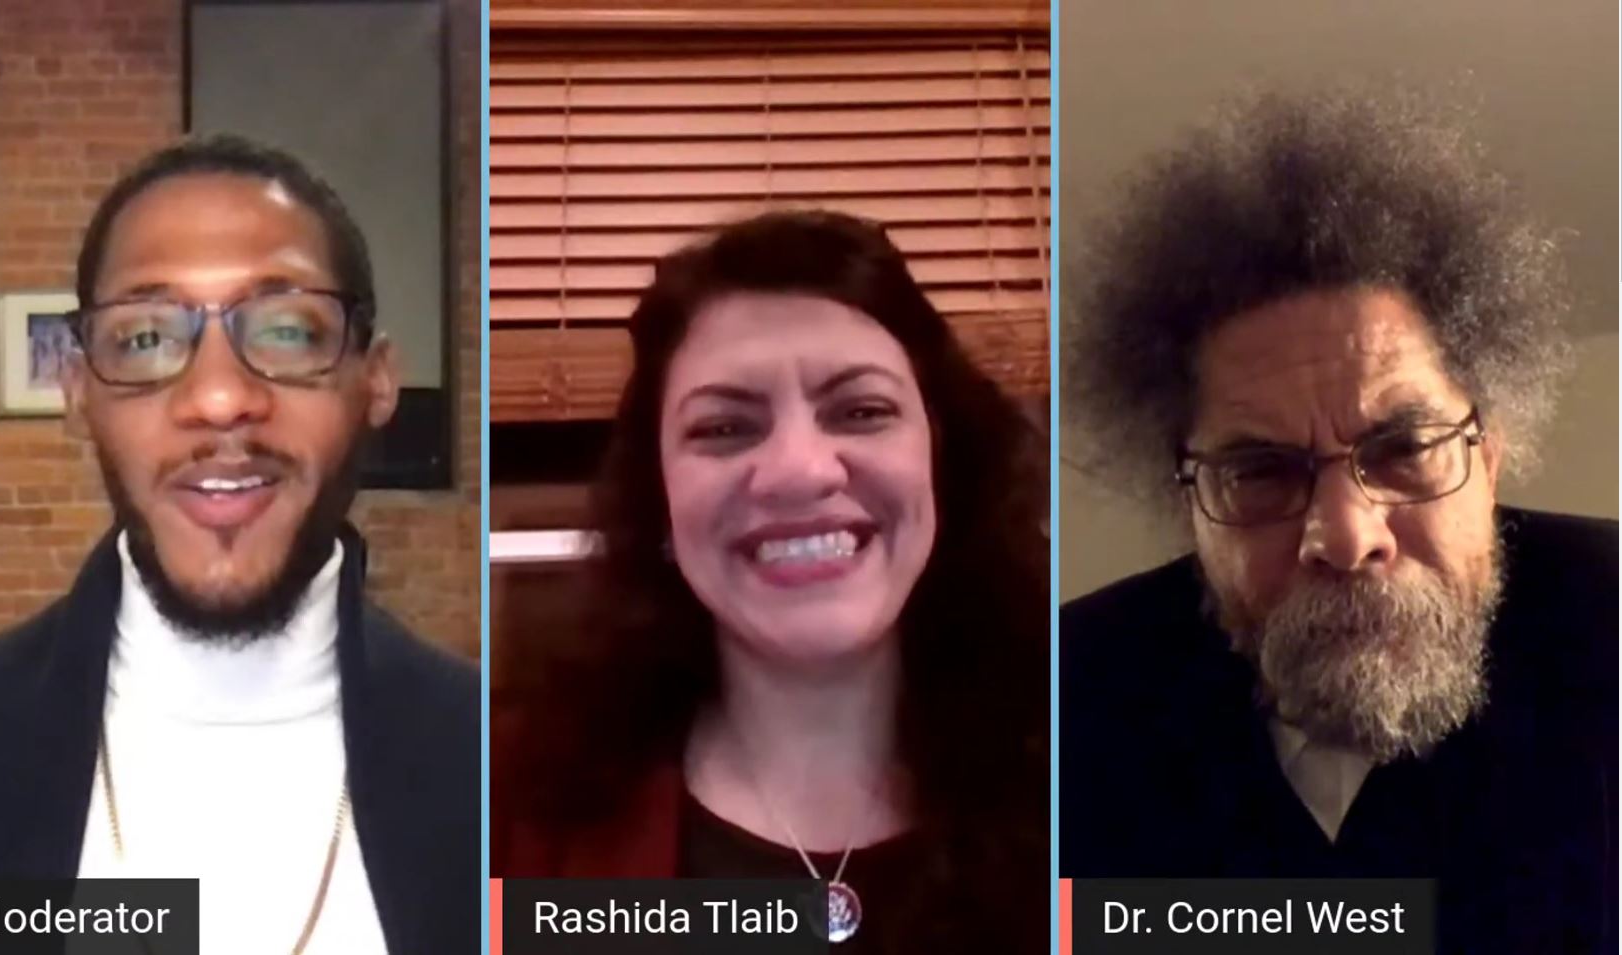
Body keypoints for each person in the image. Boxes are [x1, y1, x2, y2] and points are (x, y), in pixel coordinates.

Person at [1060, 88, 1617, 954]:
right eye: (1259, 472)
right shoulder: (1068, 706)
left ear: (1489, 458)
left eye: (1404, 448)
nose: (1348, 537)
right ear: (1188, 502)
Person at [0, 135, 477, 953]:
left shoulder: (497, 768)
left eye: (287, 330)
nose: (218, 397)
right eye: (146, 339)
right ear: (77, 391)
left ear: (377, 379)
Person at [491, 210, 1050, 954]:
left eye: (861, 411)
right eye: (725, 428)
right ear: (659, 495)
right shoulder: (499, 798)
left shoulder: (1095, 772)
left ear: (941, 464)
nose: (798, 471)